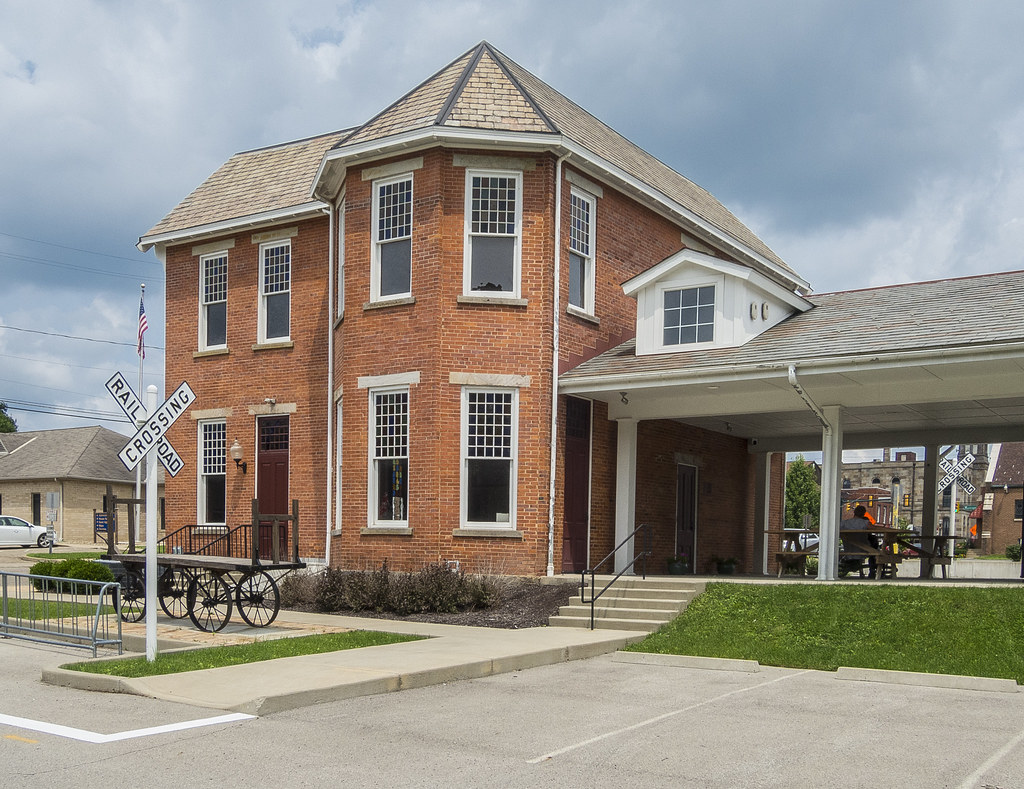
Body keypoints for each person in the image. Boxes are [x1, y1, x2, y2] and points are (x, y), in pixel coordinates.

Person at [841, 505, 879, 577]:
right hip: (864, 549)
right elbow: (876, 529)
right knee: (874, 544)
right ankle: (873, 569)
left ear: (854, 513)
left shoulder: (844, 523)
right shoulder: (865, 523)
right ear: (864, 514)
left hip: (848, 549)